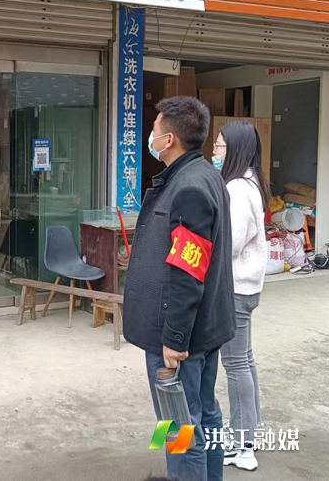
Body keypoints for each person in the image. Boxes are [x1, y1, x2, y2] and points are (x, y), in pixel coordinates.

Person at [123, 96, 236, 481]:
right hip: (201, 329)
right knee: (202, 413)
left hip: (177, 337)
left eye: (154, 130)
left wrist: (173, 338)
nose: (150, 137)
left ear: (168, 139)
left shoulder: (188, 188)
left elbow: (188, 272)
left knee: (178, 428)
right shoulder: (203, 175)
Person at [212, 122, 270, 472]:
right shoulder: (250, 182)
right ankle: (249, 431)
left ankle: (242, 445)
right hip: (247, 287)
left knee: (235, 365)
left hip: (235, 288)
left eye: (219, 147)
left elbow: (229, 245)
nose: (215, 153)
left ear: (234, 149)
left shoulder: (237, 188)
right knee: (244, 361)